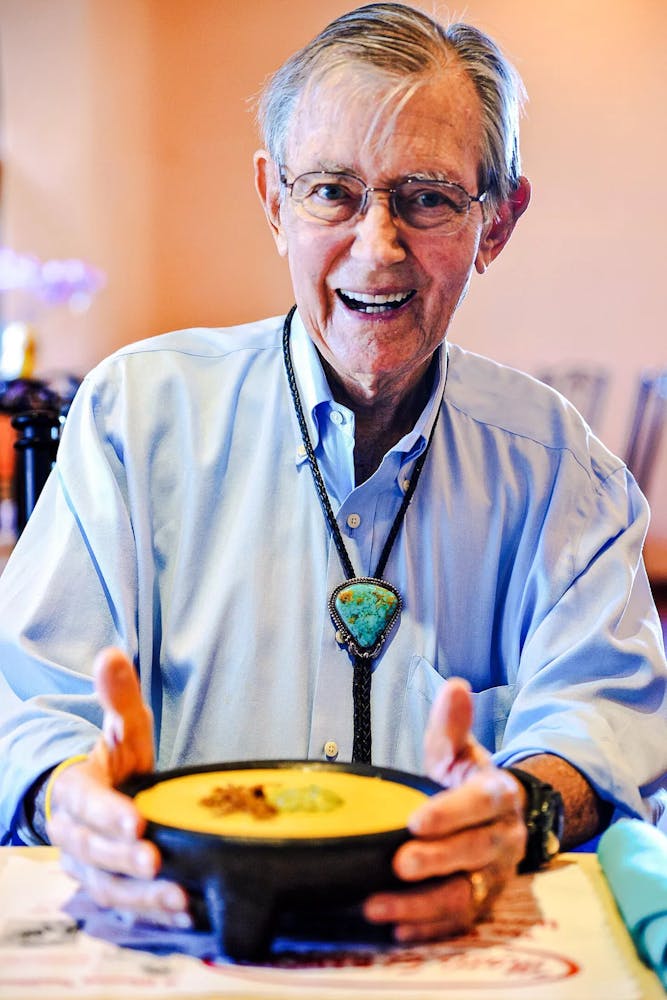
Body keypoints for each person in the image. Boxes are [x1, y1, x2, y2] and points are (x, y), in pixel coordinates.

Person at [0, 1, 665, 946]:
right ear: (274, 201)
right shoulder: (134, 419)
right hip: (178, 935)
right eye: (331, 192)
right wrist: (73, 796)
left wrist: (517, 810)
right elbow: (25, 700)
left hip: (447, 940)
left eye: (427, 197)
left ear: (497, 222)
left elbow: (604, 719)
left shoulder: (561, 474)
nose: (376, 245)